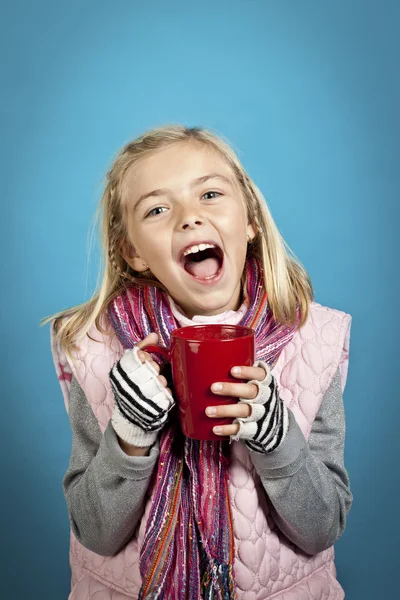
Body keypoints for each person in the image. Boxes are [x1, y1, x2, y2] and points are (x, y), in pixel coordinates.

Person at [46, 124, 353, 600]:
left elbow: (322, 529)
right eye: (157, 208)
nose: (189, 219)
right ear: (133, 251)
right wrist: (127, 436)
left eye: (210, 193)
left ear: (249, 220)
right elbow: (95, 533)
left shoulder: (315, 342)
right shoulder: (93, 348)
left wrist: (279, 442)